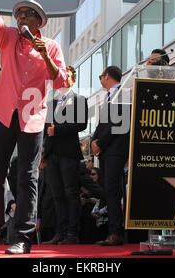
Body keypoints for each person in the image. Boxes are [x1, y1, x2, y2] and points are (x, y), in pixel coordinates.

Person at [0, 0, 69, 254]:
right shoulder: (8, 37)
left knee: (27, 177)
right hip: (5, 112)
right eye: (19, 14)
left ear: (38, 21)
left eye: (27, 14)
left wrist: (44, 54)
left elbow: (60, 81)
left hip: (33, 118)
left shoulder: (51, 46)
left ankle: (22, 238)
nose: (21, 17)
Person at [43, 66, 88, 245]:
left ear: (73, 80)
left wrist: (58, 130)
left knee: (71, 193)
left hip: (69, 153)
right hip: (51, 154)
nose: (63, 77)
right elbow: (45, 130)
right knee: (57, 195)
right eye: (60, 75)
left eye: (66, 75)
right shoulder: (50, 103)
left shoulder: (79, 99)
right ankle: (59, 232)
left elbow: (81, 124)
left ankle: (72, 233)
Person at [91, 66, 130, 246]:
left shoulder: (123, 93)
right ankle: (111, 233)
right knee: (109, 191)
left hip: (116, 149)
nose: (100, 80)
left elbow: (117, 123)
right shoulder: (107, 98)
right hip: (106, 150)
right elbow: (102, 124)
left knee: (114, 191)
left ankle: (116, 232)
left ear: (106, 76)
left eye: (101, 76)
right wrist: (94, 140)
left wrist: (100, 142)